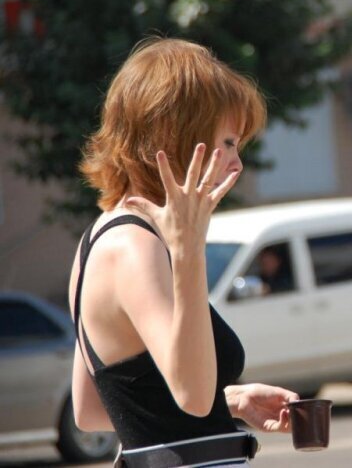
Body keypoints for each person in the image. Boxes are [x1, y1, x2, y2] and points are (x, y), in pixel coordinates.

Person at [69, 37, 299, 468]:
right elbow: (192, 394)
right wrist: (189, 247)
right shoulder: (136, 246)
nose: (237, 163)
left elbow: (92, 409)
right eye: (227, 142)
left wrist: (230, 400)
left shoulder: (101, 238)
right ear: (177, 137)